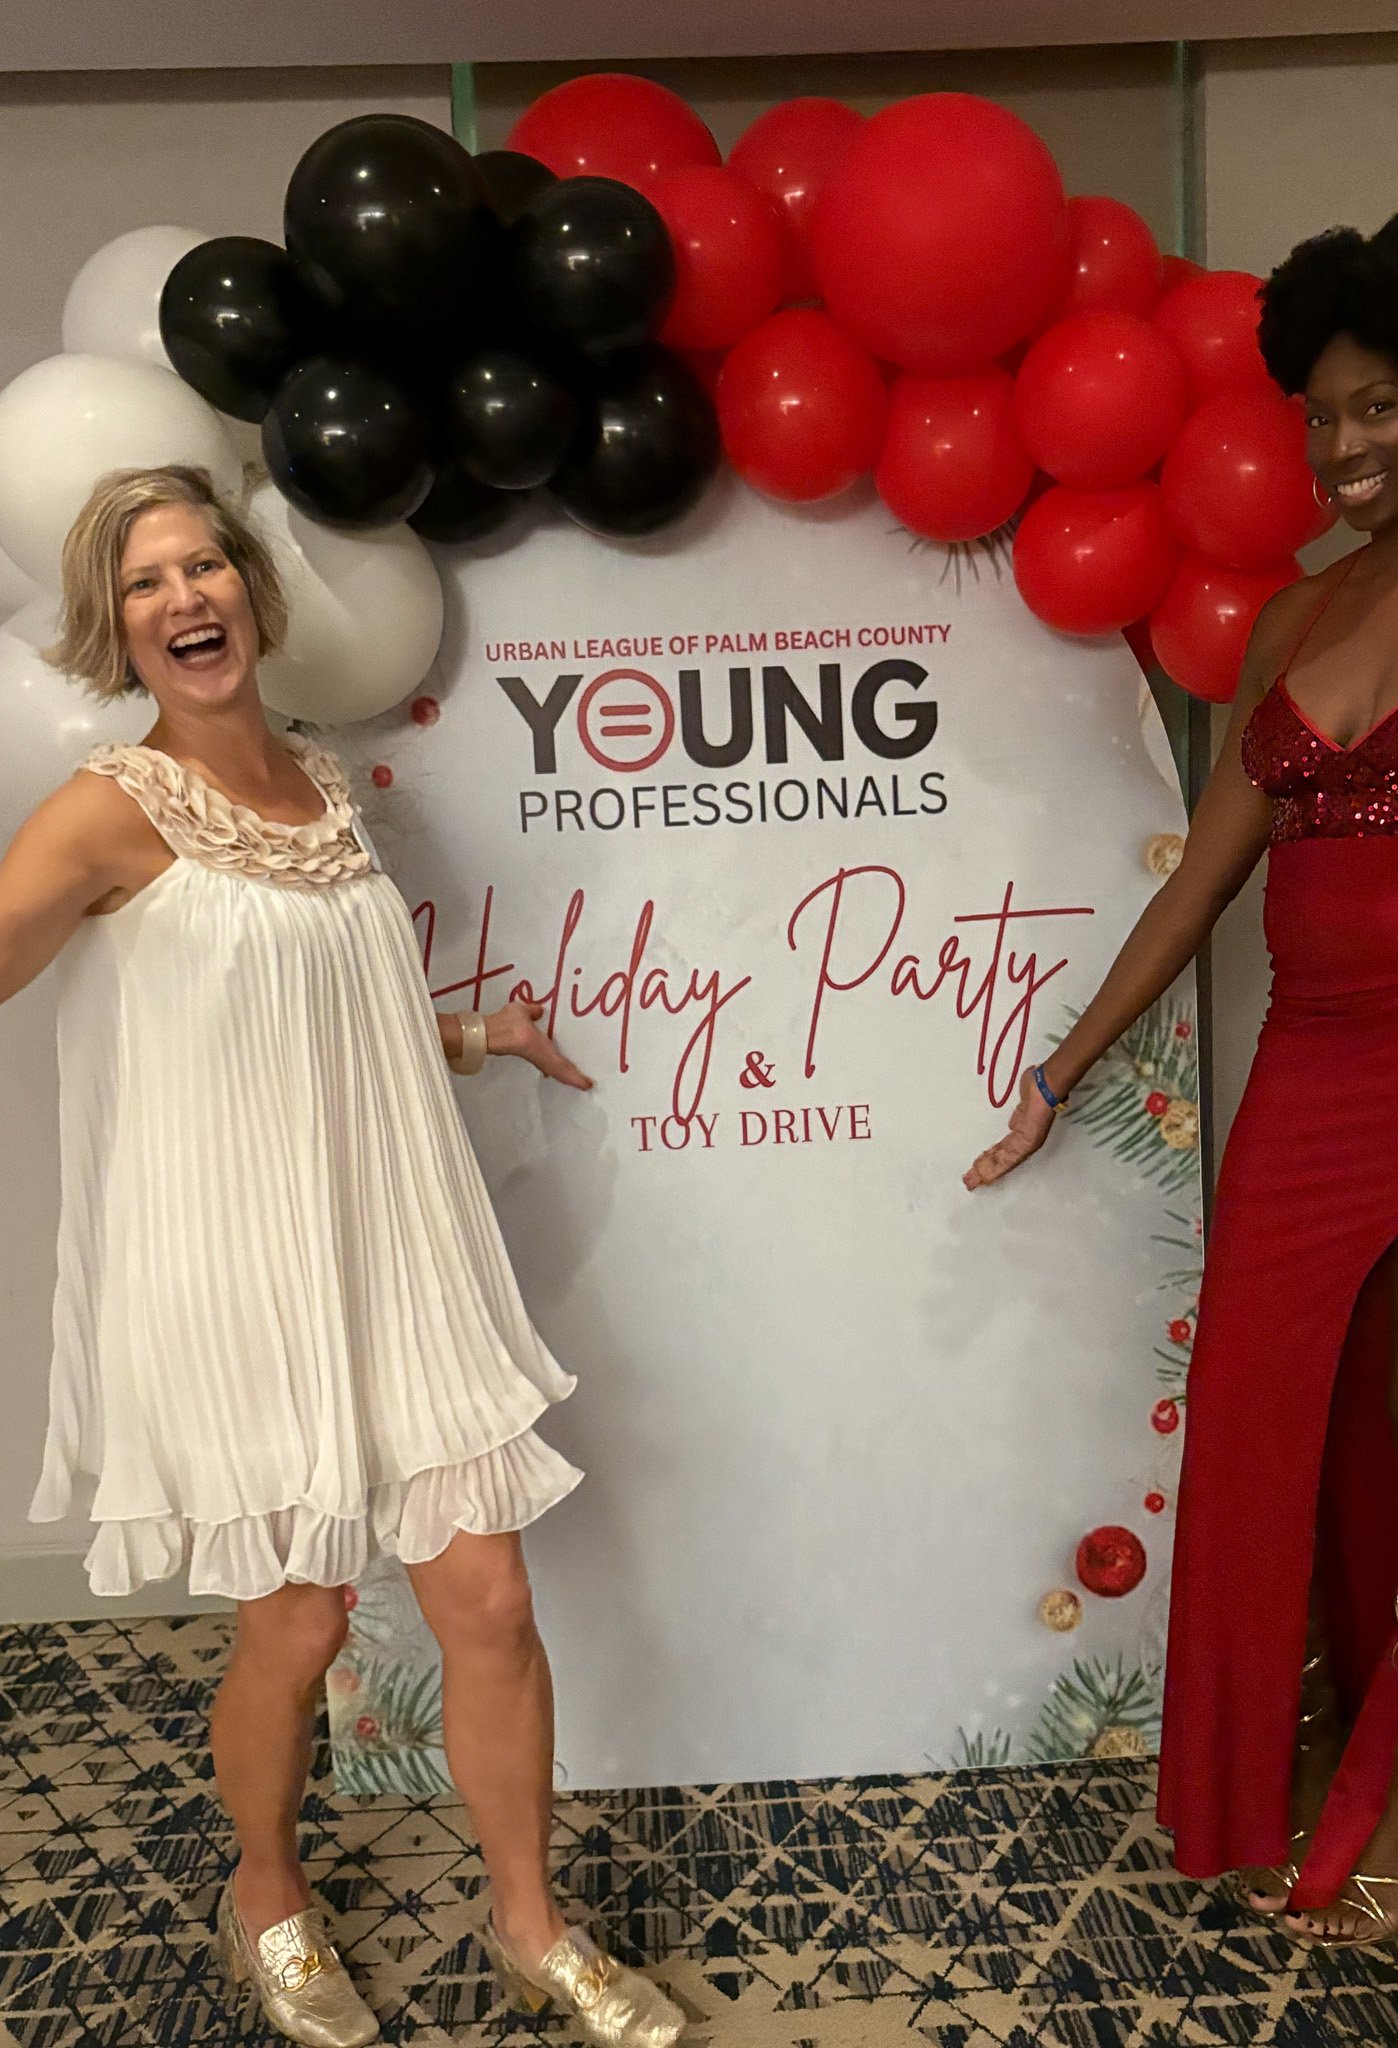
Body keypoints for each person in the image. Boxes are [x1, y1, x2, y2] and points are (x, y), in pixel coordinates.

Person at [0, 464, 686, 2047]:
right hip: (239, 1274)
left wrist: (474, 1035)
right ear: (115, 626)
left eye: (203, 566)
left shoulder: (320, 784)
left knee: (491, 1601)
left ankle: (531, 1927)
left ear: (251, 590)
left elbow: (318, 1016)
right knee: (300, 1625)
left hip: (392, 1246)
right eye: (144, 582)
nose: (183, 598)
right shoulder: (111, 809)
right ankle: (266, 1893)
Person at [965, 210, 1398, 1949]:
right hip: (1310, 1056)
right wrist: (1061, 1068)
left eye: (1380, 407)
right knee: (1265, 1410)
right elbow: (1198, 884)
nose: (1343, 446)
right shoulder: (1290, 620)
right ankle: (1310, 1730)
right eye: (1321, 414)